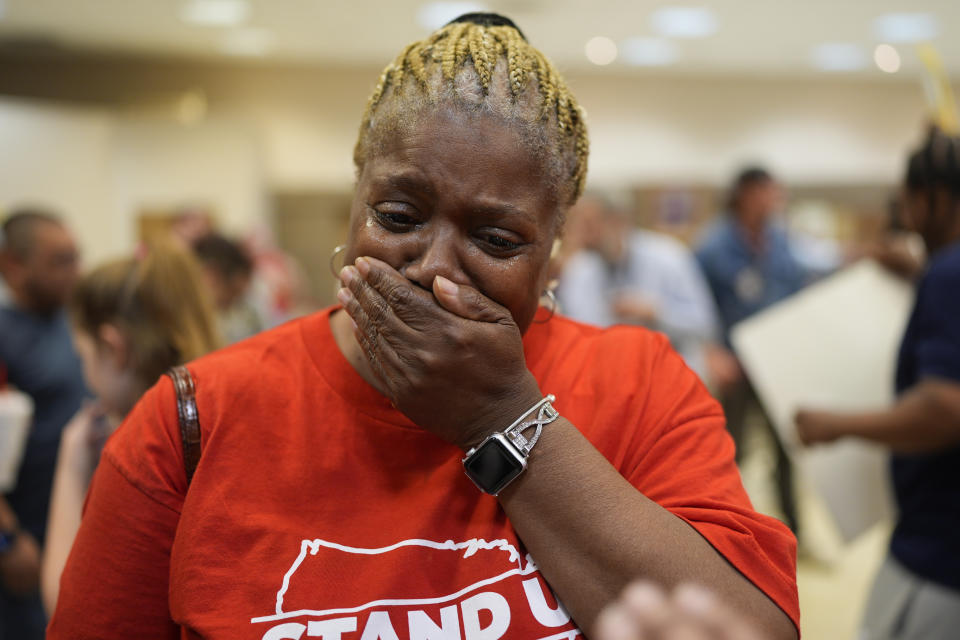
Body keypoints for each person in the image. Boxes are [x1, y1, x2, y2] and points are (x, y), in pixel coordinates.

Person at [49, 14, 799, 639]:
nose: (433, 271)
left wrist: (501, 416)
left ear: (554, 254)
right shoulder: (194, 420)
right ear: (354, 202)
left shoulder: (636, 382)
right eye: (397, 217)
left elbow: (751, 628)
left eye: (497, 240)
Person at [796, 126, 960, 639]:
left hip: (938, 552)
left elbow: (945, 409)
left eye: (908, 201)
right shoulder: (939, 272)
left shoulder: (949, 276)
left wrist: (836, 425)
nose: (906, 216)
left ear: (932, 199)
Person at [41, 242, 220, 615]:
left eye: (84, 355)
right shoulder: (221, 409)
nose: (84, 370)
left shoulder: (138, 449)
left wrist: (70, 464)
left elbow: (69, 605)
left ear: (113, 348)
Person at [695, 168, 807, 534]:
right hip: (736, 364)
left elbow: (796, 288)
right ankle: (731, 529)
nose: (772, 200)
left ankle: (795, 531)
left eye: (775, 193)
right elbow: (699, 303)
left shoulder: (781, 240)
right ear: (744, 194)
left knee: (785, 448)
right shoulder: (713, 245)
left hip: (778, 361)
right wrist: (711, 350)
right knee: (732, 450)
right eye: (765, 192)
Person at [0, 209, 84, 639]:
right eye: (60, 261)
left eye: (75, 258)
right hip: (24, 545)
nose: (75, 271)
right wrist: (8, 541)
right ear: (13, 264)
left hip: (71, 529)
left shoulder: (73, 321)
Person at [557, 195, 720, 382]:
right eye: (577, 224)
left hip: (670, 371)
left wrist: (657, 313)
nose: (582, 234)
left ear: (617, 221)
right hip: (610, 377)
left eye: (589, 224)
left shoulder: (668, 257)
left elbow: (705, 325)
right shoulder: (579, 270)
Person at [192, 232, 265, 344]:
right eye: (235, 292)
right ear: (212, 274)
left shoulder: (246, 312)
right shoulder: (191, 320)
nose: (237, 299)